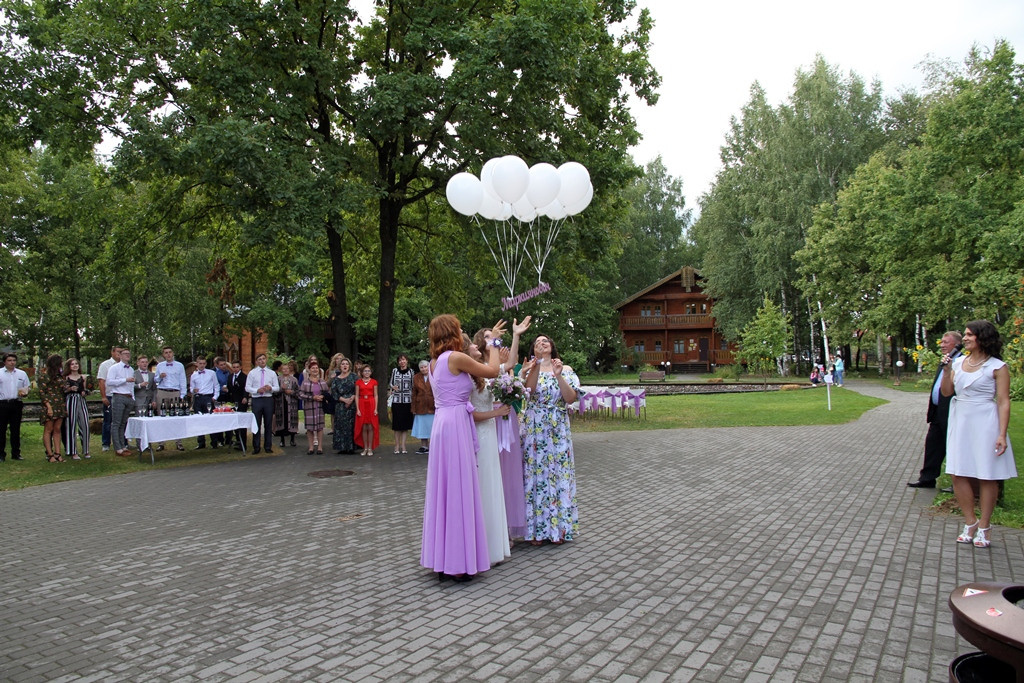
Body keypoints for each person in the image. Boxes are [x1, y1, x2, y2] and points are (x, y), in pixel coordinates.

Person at [420, 315, 506, 583]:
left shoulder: (435, 363)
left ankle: (444, 560)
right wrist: (493, 343)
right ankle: (457, 564)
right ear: (451, 333)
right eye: (458, 328)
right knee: (458, 488)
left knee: (445, 489)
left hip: (443, 423)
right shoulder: (454, 358)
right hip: (456, 422)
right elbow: (492, 371)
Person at [942, 320, 1016, 549]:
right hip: (960, 419)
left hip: (985, 420)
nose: (964, 339)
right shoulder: (958, 362)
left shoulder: (997, 367)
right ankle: (969, 522)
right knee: (957, 472)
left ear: (982, 338)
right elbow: (947, 392)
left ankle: (984, 526)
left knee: (986, 474)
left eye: (969, 335)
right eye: (964, 335)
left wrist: (1001, 434)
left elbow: (1003, 401)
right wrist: (946, 371)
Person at [521, 333, 580, 544]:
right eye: (537, 342)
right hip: (535, 428)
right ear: (533, 350)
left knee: (558, 473)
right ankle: (536, 531)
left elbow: (570, 398)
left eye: (545, 341)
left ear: (552, 346)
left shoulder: (567, 370)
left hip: (558, 428)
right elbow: (530, 390)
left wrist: (558, 375)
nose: (541, 343)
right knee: (535, 477)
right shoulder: (528, 369)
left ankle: (560, 529)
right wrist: (535, 364)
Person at [477, 316, 531, 542]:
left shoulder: (498, 366)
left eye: (496, 337)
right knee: (491, 476)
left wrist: (517, 335)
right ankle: (492, 528)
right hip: (490, 421)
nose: (495, 340)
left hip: (507, 421)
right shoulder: (478, 367)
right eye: (489, 337)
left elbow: (510, 364)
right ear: (481, 343)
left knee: (509, 476)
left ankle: (507, 526)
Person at [466, 334, 512, 565]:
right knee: (484, 485)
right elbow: (470, 413)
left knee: (493, 484)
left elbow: (500, 373)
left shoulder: (483, 369)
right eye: (473, 344)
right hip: (480, 434)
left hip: (491, 432)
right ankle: (484, 545)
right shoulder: (468, 375)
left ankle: (496, 545)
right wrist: (496, 412)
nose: (476, 346)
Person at [908, 331, 962, 489]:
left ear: (957, 344)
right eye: (942, 342)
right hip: (937, 411)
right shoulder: (945, 361)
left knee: (954, 446)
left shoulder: (960, 363)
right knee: (932, 444)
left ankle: (957, 483)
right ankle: (927, 478)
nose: (942, 345)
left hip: (952, 411)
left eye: (946, 342)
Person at [105, 348, 137, 458]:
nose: (127, 355)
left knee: (123, 423)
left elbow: (132, 385)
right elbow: (109, 382)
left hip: (128, 397)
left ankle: (123, 446)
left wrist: (132, 397)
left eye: (129, 354)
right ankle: (118, 448)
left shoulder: (131, 369)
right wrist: (124, 380)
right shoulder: (114, 368)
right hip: (118, 396)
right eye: (125, 354)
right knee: (116, 423)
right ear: (120, 355)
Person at [155, 346, 187, 451]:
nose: (168, 354)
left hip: (175, 392)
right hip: (162, 391)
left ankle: (178, 442)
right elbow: (155, 380)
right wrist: (160, 377)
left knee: (176, 417)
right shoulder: (160, 365)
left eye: (170, 352)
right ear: (163, 355)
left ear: (173, 353)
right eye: (166, 353)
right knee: (161, 418)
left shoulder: (179, 366)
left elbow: (183, 380)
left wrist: (182, 395)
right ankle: (161, 443)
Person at [245, 353, 279, 454]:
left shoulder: (272, 373)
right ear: (256, 361)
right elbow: (247, 387)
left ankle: (268, 446)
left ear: (266, 360)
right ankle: (256, 446)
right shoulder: (252, 373)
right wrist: (257, 390)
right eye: (259, 359)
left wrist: (271, 388)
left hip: (268, 399)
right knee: (256, 423)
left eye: (263, 359)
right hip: (257, 399)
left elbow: (277, 388)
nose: (262, 361)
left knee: (268, 423)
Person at [0, 353, 31, 462]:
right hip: (3, 403)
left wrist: (25, 392)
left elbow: (27, 387)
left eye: (14, 360)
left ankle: (16, 453)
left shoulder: (21, 374)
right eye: (9, 360)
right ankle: (1, 454)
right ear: (5, 362)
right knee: (1, 429)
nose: (12, 362)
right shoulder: (0, 373)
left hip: (16, 402)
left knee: (15, 429)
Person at [37, 354, 68, 462]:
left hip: (59, 403)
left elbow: (62, 389)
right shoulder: (44, 375)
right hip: (49, 404)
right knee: (48, 429)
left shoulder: (60, 375)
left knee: (57, 429)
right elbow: (42, 392)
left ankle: (58, 453)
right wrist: (48, 407)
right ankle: (49, 454)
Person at [62, 358, 91, 460]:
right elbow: (64, 391)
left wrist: (84, 392)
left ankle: (86, 450)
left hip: (81, 401)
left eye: (76, 364)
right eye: (72, 364)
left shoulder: (83, 377)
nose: (75, 366)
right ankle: (73, 451)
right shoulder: (66, 377)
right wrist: (69, 389)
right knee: (71, 425)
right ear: (69, 366)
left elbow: (84, 389)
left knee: (85, 424)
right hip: (71, 400)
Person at [188, 356, 220, 449]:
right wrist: (194, 390)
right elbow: (191, 389)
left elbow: (216, 386)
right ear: (197, 364)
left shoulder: (211, 373)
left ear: (205, 364)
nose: (201, 365)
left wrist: (215, 397)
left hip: (208, 398)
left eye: (203, 363)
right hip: (198, 398)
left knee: (211, 421)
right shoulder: (193, 375)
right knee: (199, 421)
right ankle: (201, 443)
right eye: (200, 363)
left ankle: (214, 442)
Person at [299, 363, 329, 455]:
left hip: (320, 407)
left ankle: (320, 447)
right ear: (309, 370)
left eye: (316, 368)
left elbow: (327, 393)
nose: (315, 370)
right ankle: (311, 447)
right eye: (313, 368)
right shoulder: (305, 382)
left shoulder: (322, 382)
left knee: (320, 427)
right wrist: (312, 397)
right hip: (309, 407)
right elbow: (300, 394)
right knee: (310, 428)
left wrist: (322, 397)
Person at [389, 354, 415, 454]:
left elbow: (413, 385)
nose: (402, 362)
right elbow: (390, 383)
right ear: (398, 362)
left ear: (407, 361)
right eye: (400, 360)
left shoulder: (411, 372)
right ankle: (396, 445)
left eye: (403, 360)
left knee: (405, 425)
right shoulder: (395, 371)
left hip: (407, 400)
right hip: (396, 400)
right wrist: (393, 387)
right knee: (397, 425)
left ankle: (403, 445)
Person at [330, 358, 357, 454]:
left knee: (351, 426)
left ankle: (351, 447)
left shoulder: (354, 377)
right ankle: (342, 447)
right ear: (340, 366)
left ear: (349, 366)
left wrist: (351, 399)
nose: (345, 366)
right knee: (341, 425)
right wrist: (344, 400)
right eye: (343, 364)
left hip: (352, 404)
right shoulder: (336, 380)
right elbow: (334, 393)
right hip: (340, 405)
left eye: (347, 364)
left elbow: (357, 389)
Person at [96, 346, 120, 452]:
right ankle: (106, 443)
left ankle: (122, 442)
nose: (120, 354)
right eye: (118, 352)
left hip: (121, 396)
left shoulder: (125, 366)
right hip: (110, 395)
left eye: (122, 352)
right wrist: (103, 396)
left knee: (120, 420)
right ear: (112, 352)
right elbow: (101, 381)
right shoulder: (105, 365)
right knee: (108, 420)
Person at [354, 364, 380, 456]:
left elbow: (376, 395)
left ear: (371, 372)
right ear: (362, 372)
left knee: (370, 426)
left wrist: (376, 408)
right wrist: (357, 409)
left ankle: (370, 448)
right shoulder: (358, 382)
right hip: (362, 403)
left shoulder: (374, 382)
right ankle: (365, 447)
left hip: (371, 402)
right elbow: (356, 395)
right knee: (363, 426)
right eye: (365, 371)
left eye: (368, 371)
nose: (367, 373)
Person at [274, 360, 299, 449]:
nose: (285, 370)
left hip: (291, 403)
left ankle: (292, 439)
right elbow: (274, 392)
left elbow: (298, 392)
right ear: (281, 370)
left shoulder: (294, 380)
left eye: (287, 369)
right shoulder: (277, 379)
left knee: (291, 420)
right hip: (280, 403)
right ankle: (282, 440)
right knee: (281, 421)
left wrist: (291, 392)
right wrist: (281, 389)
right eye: (283, 369)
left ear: (289, 370)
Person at [410, 360, 434, 454]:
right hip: (420, 405)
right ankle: (424, 446)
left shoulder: (434, 375)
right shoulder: (416, 377)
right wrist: (413, 407)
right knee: (422, 427)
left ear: (429, 366)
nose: (424, 369)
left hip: (433, 405)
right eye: (421, 367)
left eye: (425, 366)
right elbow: (414, 393)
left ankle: (433, 446)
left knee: (432, 427)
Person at [226, 361, 249, 451]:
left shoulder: (244, 377)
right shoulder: (230, 376)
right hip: (233, 401)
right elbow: (230, 388)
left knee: (242, 422)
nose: (235, 369)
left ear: (240, 367)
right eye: (234, 367)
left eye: (237, 367)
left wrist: (245, 397)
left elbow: (246, 388)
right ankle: (237, 441)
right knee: (234, 422)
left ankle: (243, 443)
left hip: (242, 401)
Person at [212, 356, 232, 448]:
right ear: (217, 365)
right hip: (219, 397)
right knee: (219, 419)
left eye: (224, 364)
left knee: (229, 417)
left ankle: (229, 439)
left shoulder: (228, 372)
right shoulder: (215, 374)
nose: (223, 366)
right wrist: (221, 389)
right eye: (221, 365)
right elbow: (214, 386)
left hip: (227, 397)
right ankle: (220, 439)